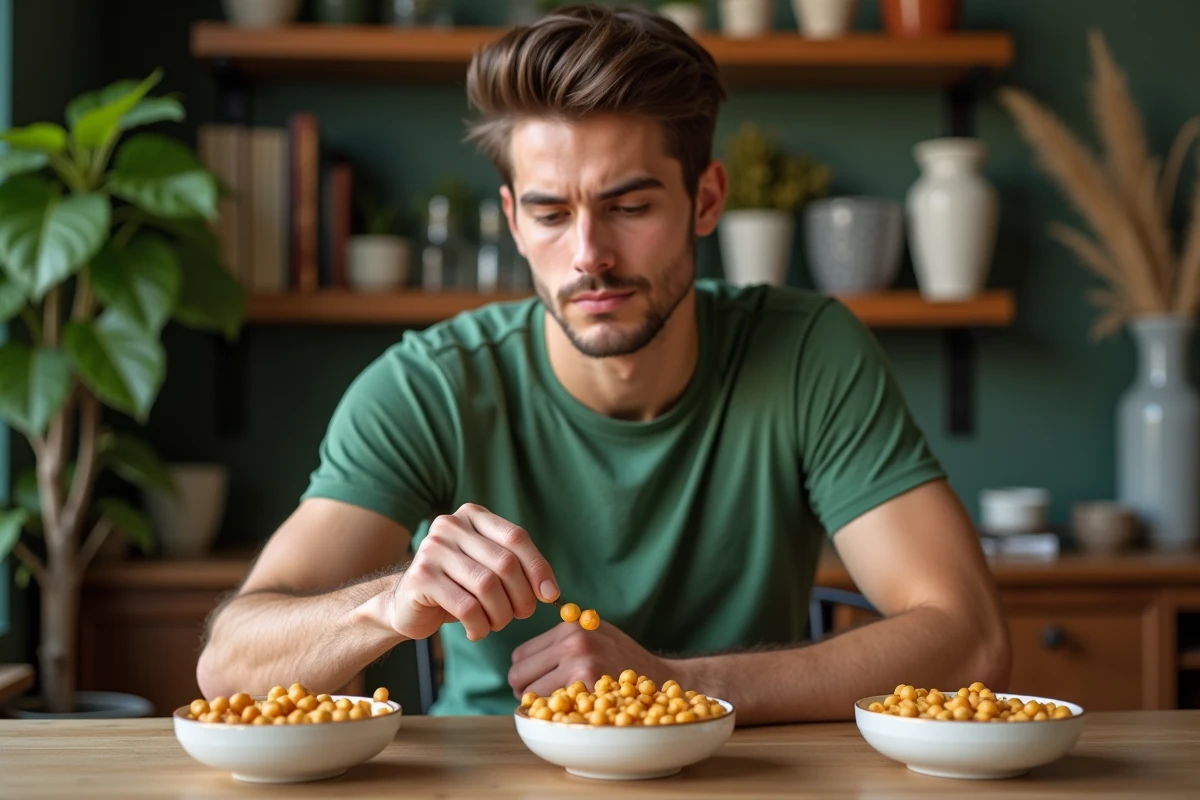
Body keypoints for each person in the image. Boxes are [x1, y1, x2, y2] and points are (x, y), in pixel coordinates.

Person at [197, 4, 1010, 724]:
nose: (589, 255)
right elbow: (227, 665)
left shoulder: (808, 353)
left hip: (749, 776)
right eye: (551, 213)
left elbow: (970, 641)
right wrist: (386, 604)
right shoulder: (430, 386)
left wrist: (671, 686)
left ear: (707, 199)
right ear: (513, 221)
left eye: (629, 206)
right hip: (492, 777)